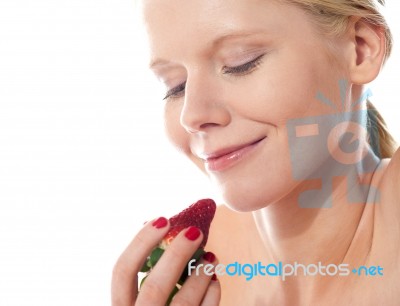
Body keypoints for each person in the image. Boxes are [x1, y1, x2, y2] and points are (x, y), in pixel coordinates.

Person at [112, 0, 400, 305]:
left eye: (241, 62)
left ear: (359, 49)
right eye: (175, 86)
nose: (192, 114)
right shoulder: (188, 271)